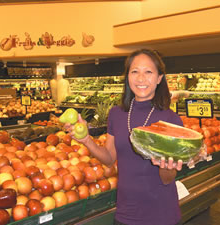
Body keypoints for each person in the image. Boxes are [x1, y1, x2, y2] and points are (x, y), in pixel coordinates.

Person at [66, 49, 183, 225]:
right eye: (135, 71)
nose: (141, 78)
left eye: (148, 72)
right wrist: (86, 140)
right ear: (128, 77)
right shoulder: (116, 114)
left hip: (161, 215)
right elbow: (109, 159)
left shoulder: (171, 120)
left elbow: (167, 179)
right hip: (125, 214)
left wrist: (167, 167)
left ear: (159, 78)